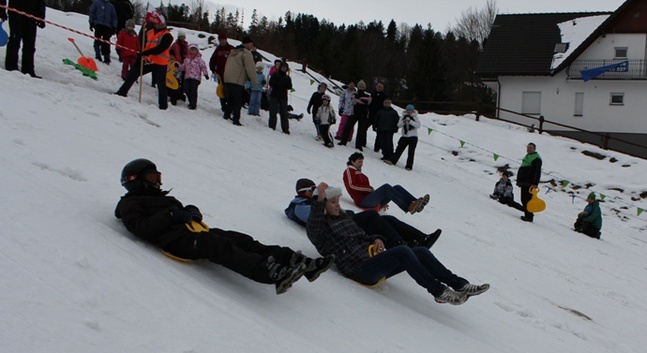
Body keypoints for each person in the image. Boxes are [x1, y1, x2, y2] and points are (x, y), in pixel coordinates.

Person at [115, 159, 334, 294]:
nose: (157, 181)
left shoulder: (160, 198)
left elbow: (184, 213)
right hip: (176, 242)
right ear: (135, 179)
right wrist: (172, 215)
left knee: (242, 240)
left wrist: (191, 211)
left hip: (193, 232)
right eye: (152, 177)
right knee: (219, 245)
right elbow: (141, 228)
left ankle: (300, 263)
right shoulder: (130, 204)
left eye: (158, 176)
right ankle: (268, 272)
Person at [307, 183, 488, 305]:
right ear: (322, 205)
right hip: (358, 270)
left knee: (421, 251)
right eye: (332, 202)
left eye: (337, 201)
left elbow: (364, 235)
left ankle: (460, 284)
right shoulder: (319, 230)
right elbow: (314, 221)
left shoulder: (344, 218)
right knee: (402, 251)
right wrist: (319, 198)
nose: (337, 205)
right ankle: (439, 291)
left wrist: (377, 239)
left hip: (371, 261)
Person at [286, 178, 442, 249]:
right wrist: (319, 199)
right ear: (304, 192)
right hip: (339, 228)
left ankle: (421, 239)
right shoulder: (299, 206)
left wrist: (325, 191)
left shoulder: (316, 198)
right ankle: (399, 244)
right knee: (372, 217)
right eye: (310, 189)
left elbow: (337, 194)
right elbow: (313, 219)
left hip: (346, 220)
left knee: (388, 220)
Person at [114, 14, 173, 110]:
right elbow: (142, 42)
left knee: (161, 84)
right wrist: (141, 55)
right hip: (148, 60)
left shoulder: (168, 35)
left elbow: (160, 49)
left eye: (162, 23)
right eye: (159, 22)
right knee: (133, 73)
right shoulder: (149, 32)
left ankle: (163, 106)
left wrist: (146, 52)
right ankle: (122, 92)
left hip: (160, 63)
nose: (160, 24)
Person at [343, 152, 429, 215]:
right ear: (352, 162)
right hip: (362, 201)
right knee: (386, 187)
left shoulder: (360, 173)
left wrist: (380, 198)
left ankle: (415, 202)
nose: (361, 164)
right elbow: (352, 186)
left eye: (362, 162)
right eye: (359, 162)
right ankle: (409, 206)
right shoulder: (349, 171)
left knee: (396, 187)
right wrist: (369, 189)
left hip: (369, 199)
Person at [1, 0, 46, 78]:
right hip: (16, 13)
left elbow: (41, 1)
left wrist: (41, 17)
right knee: (15, 40)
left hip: (32, 16)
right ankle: (11, 66)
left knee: (30, 44)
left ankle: (28, 70)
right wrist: (1, 11)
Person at [222, 35, 260, 126]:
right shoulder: (246, 53)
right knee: (238, 101)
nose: (251, 46)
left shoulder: (233, 52)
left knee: (231, 99)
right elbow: (250, 68)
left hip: (228, 80)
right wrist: (255, 82)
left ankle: (226, 115)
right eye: (251, 44)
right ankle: (236, 120)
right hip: (237, 81)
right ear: (247, 43)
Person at [338, 80, 371, 150]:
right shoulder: (354, 94)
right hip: (354, 113)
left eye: (362, 87)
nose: (361, 88)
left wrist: (359, 100)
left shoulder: (367, 95)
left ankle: (359, 145)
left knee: (361, 130)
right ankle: (343, 141)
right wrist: (362, 101)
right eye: (360, 87)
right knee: (347, 126)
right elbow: (354, 101)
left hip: (363, 114)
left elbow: (367, 102)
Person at [388, 105, 421, 171]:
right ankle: (393, 160)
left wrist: (410, 121)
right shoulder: (403, 116)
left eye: (410, 110)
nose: (409, 112)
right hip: (404, 136)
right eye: (408, 110)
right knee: (399, 149)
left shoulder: (415, 117)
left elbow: (418, 125)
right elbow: (398, 125)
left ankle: (409, 165)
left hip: (413, 136)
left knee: (411, 152)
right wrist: (404, 121)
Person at [516, 142, 543, 222]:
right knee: (523, 199)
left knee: (527, 200)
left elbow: (537, 172)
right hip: (524, 182)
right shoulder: (528, 156)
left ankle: (529, 216)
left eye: (530, 148)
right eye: (528, 147)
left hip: (529, 183)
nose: (528, 149)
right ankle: (527, 214)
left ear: (534, 149)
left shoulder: (536, 158)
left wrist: (535, 183)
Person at [179, 43, 209, 110]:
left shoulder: (199, 59)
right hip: (187, 77)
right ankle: (191, 101)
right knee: (186, 89)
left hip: (195, 78)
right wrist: (178, 66)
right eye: (191, 50)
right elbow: (183, 67)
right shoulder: (186, 59)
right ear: (189, 50)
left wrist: (205, 74)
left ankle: (193, 104)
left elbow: (203, 67)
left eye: (194, 50)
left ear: (197, 51)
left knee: (193, 91)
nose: (193, 51)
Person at [209, 32, 233, 113]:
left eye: (223, 40)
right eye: (220, 40)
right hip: (220, 74)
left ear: (226, 40)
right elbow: (212, 60)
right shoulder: (218, 49)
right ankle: (223, 106)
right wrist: (212, 69)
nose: (222, 41)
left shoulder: (231, 49)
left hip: (230, 74)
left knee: (229, 91)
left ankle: (229, 106)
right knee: (221, 90)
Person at [89, 0, 118, 65]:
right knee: (97, 40)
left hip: (107, 26)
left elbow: (114, 17)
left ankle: (106, 58)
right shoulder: (96, 2)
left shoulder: (111, 6)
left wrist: (114, 27)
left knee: (106, 42)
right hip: (98, 24)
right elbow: (92, 12)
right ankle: (98, 55)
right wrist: (91, 22)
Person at [268, 60, 292, 134]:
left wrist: (287, 84)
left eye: (285, 68)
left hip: (283, 97)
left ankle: (285, 129)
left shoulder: (287, 77)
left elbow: (289, 87)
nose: (284, 69)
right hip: (274, 95)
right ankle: (272, 126)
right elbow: (270, 83)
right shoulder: (275, 74)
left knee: (284, 113)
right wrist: (277, 83)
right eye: (283, 67)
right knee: (273, 111)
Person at [368, 82, 387, 152]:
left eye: (381, 87)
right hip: (371, 115)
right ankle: (362, 143)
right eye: (378, 86)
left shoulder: (385, 96)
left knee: (379, 132)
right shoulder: (372, 95)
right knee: (363, 128)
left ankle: (377, 147)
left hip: (380, 117)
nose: (379, 88)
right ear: (376, 87)